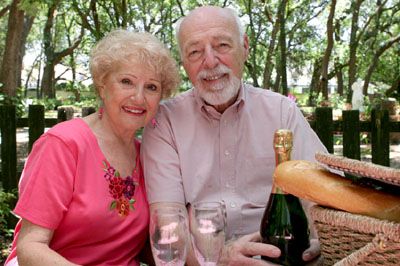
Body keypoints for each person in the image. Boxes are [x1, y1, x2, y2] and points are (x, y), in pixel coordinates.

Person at [141, 6, 328, 266]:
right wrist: (222, 258)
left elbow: (322, 195)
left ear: (245, 47)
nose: (210, 61)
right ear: (184, 62)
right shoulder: (165, 122)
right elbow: (167, 227)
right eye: (195, 51)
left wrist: (322, 242)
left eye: (222, 45)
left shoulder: (281, 113)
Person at [5, 29, 180, 266]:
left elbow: (139, 247)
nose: (139, 98)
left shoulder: (147, 155)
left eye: (151, 87)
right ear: (102, 85)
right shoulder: (63, 145)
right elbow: (30, 248)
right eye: (126, 81)